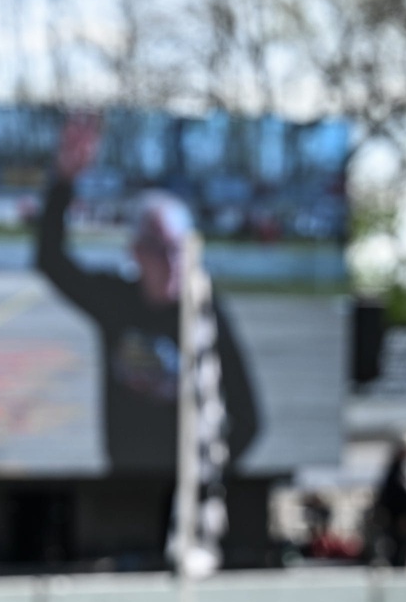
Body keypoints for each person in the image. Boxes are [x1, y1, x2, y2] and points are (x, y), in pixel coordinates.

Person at [38, 114, 261, 475]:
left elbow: (249, 420)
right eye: (161, 249)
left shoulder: (205, 313)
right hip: (124, 484)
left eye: (180, 249)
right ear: (136, 251)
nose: (173, 263)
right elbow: (50, 260)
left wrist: (206, 475)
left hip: (185, 488)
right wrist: (64, 181)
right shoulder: (115, 302)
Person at [371, 436, 406, 568]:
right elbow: (396, 497)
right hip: (400, 521)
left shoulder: (402, 471)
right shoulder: (395, 473)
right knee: (400, 557)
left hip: (404, 520)